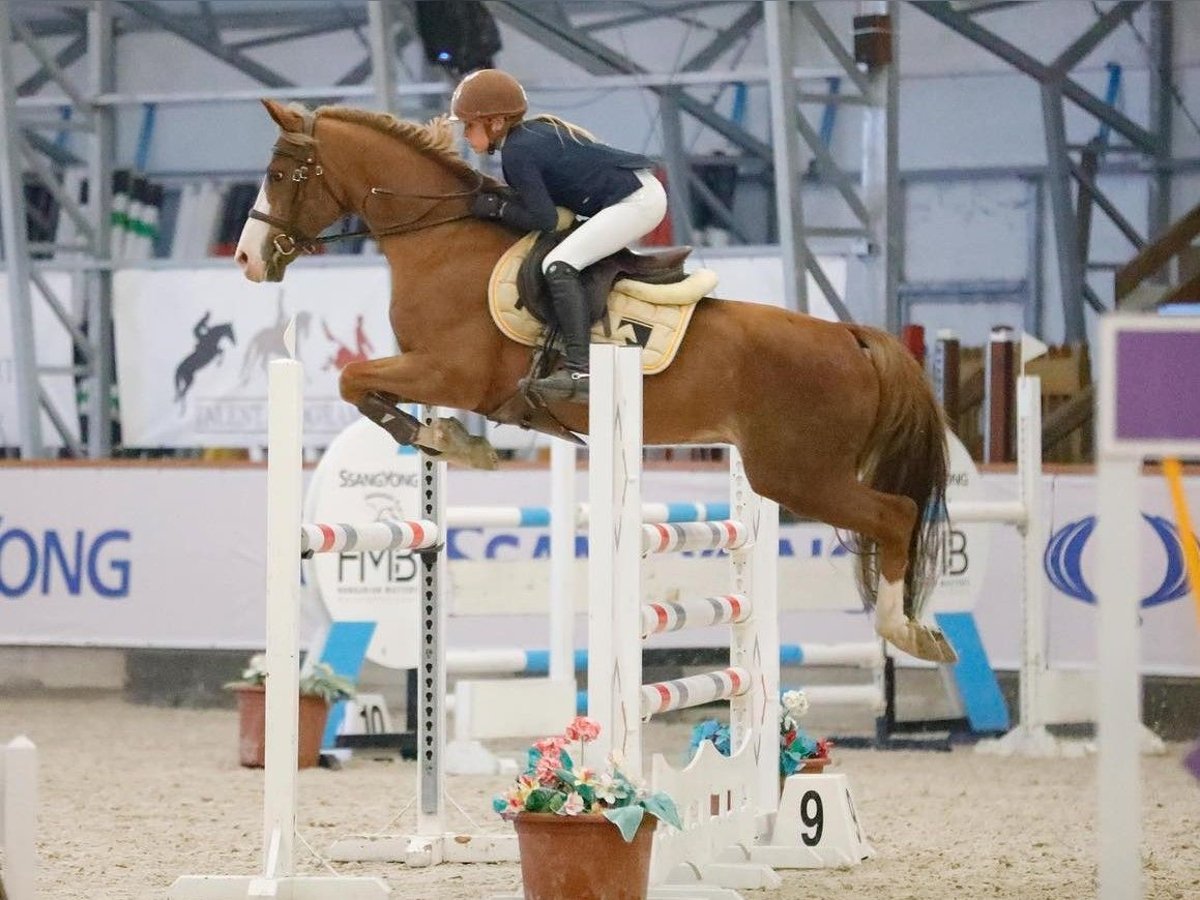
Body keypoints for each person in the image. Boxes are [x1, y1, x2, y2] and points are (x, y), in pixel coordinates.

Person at [450, 68, 667, 399]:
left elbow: (546, 219)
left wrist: (496, 210)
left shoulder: (517, 151)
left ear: (495, 122)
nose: (465, 134)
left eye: (469, 125)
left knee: (559, 263)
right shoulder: (525, 139)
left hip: (638, 201)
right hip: (637, 193)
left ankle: (581, 370)